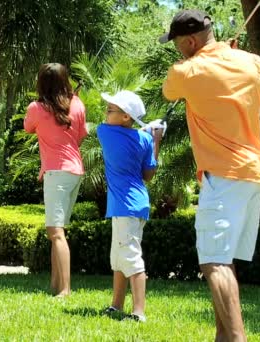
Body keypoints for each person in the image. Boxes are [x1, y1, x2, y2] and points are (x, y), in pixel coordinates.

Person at [160, 9, 260, 341]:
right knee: (224, 261)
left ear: (190, 41)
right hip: (255, 173)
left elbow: (168, 92)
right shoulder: (252, 62)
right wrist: (234, 58)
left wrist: (211, 62)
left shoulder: (186, 70)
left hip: (223, 177)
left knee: (213, 263)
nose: (177, 50)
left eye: (177, 44)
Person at [97, 90, 164, 322]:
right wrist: (155, 139)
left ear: (126, 117)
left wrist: (147, 132)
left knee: (132, 258)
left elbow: (125, 134)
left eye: (111, 109)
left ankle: (138, 312)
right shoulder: (145, 140)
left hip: (126, 205)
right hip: (134, 204)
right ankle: (116, 305)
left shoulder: (104, 132)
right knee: (118, 258)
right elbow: (148, 174)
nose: (106, 112)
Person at [24, 63, 88, 297]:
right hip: (75, 171)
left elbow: (28, 127)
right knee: (58, 232)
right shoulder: (78, 104)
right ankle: (54, 284)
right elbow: (79, 138)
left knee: (56, 232)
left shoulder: (36, 108)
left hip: (56, 173)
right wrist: (72, 104)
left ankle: (64, 290)